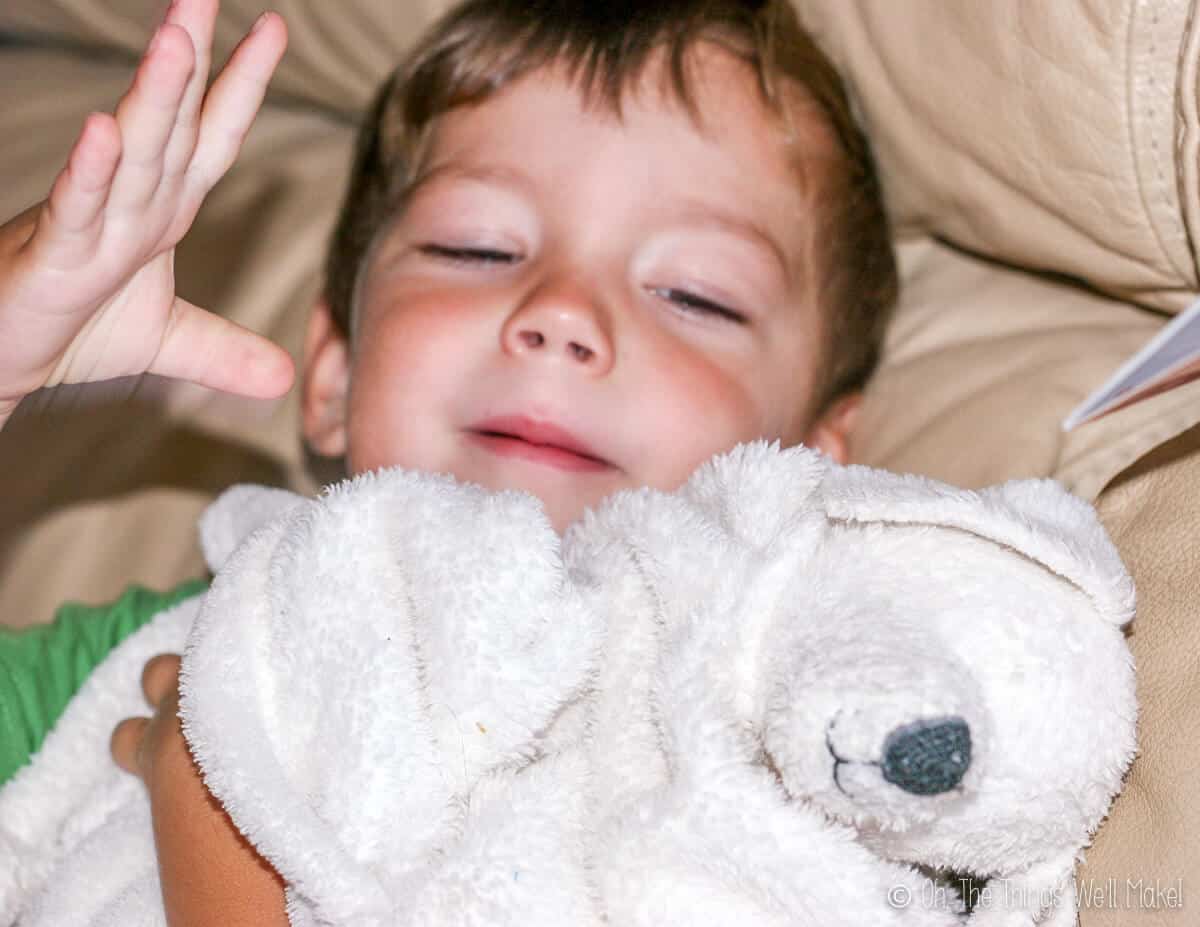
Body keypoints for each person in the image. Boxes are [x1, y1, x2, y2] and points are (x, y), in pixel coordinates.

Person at [0, 0, 896, 922]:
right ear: (335, 375)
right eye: (478, 247)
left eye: (694, 295)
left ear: (809, 458)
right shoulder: (171, 652)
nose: (561, 314)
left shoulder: (806, 755)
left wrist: (211, 801)